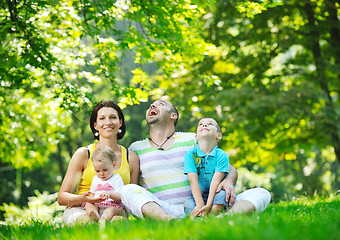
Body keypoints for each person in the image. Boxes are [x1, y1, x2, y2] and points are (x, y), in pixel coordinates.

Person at [120, 99, 271, 220]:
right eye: (152, 105)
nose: (152, 105)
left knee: (261, 193)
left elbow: (228, 167)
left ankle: (223, 218)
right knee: (128, 190)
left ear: (173, 115)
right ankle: (167, 220)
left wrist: (228, 181)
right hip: (165, 208)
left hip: (203, 205)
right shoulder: (136, 148)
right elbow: (136, 188)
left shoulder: (193, 139)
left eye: (161, 104)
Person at [58, 100, 139, 225]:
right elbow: (62, 197)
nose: (108, 122)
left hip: (115, 210)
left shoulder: (130, 157)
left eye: (113, 117)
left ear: (120, 122)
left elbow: (133, 197)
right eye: (102, 118)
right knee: (87, 222)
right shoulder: (84, 154)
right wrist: (82, 199)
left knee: (118, 224)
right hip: (83, 208)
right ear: (95, 125)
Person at [184, 118, 229, 217]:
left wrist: (209, 204)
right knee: (188, 205)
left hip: (217, 192)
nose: (204, 125)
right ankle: (200, 217)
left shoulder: (222, 155)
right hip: (199, 195)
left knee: (222, 196)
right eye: (201, 124)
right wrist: (200, 204)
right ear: (196, 137)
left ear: (219, 135)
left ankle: (212, 217)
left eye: (210, 124)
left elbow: (215, 182)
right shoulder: (190, 155)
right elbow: (193, 181)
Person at [83, 146, 127, 222]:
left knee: (110, 210)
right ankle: (94, 214)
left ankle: (104, 219)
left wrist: (110, 194)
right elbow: (93, 194)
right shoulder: (95, 179)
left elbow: (120, 196)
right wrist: (91, 198)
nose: (101, 174)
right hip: (98, 204)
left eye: (105, 170)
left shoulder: (117, 178)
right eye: (97, 171)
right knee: (88, 204)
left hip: (113, 205)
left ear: (113, 164)